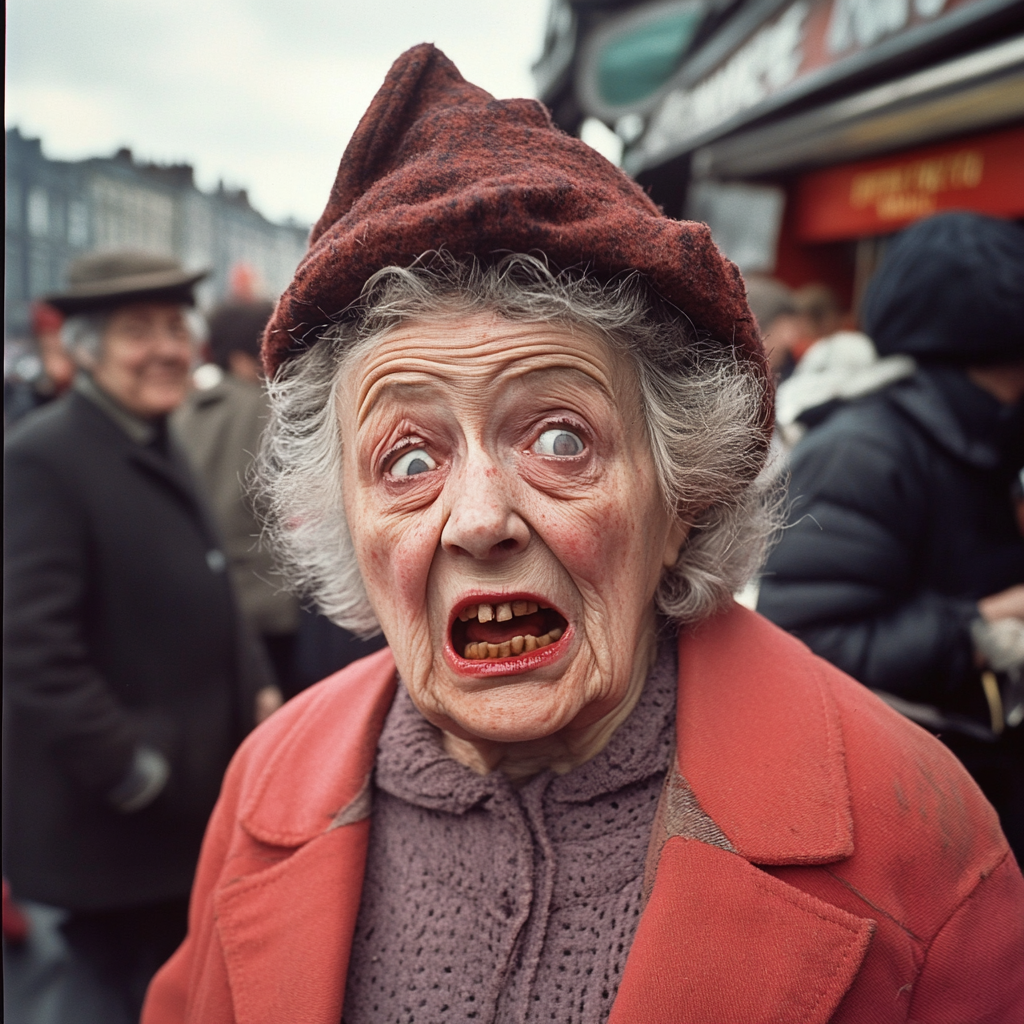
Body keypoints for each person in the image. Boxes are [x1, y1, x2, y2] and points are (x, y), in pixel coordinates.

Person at [143, 47, 1023, 1024]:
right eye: (406, 458)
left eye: (559, 437)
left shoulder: (917, 827)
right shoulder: (266, 785)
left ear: (680, 488)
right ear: (347, 515)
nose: (479, 519)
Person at [3, 250, 277, 1023]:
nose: (165, 347)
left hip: (177, 809)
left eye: (172, 326)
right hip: (116, 824)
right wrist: (130, 770)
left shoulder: (153, 435)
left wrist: (254, 681)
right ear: (86, 349)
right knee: (110, 993)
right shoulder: (42, 458)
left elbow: (215, 576)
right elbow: (31, 648)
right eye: (136, 331)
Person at [759, 212, 1024, 859]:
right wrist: (979, 625)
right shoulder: (866, 452)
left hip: (971, 780)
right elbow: (802, 642)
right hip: (910, 810)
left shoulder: (976, 442)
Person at [173, 299, 300, 693]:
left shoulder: (183, 411)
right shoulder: (269, 412)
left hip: (199, 605)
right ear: (250, 358)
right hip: (269, 604)